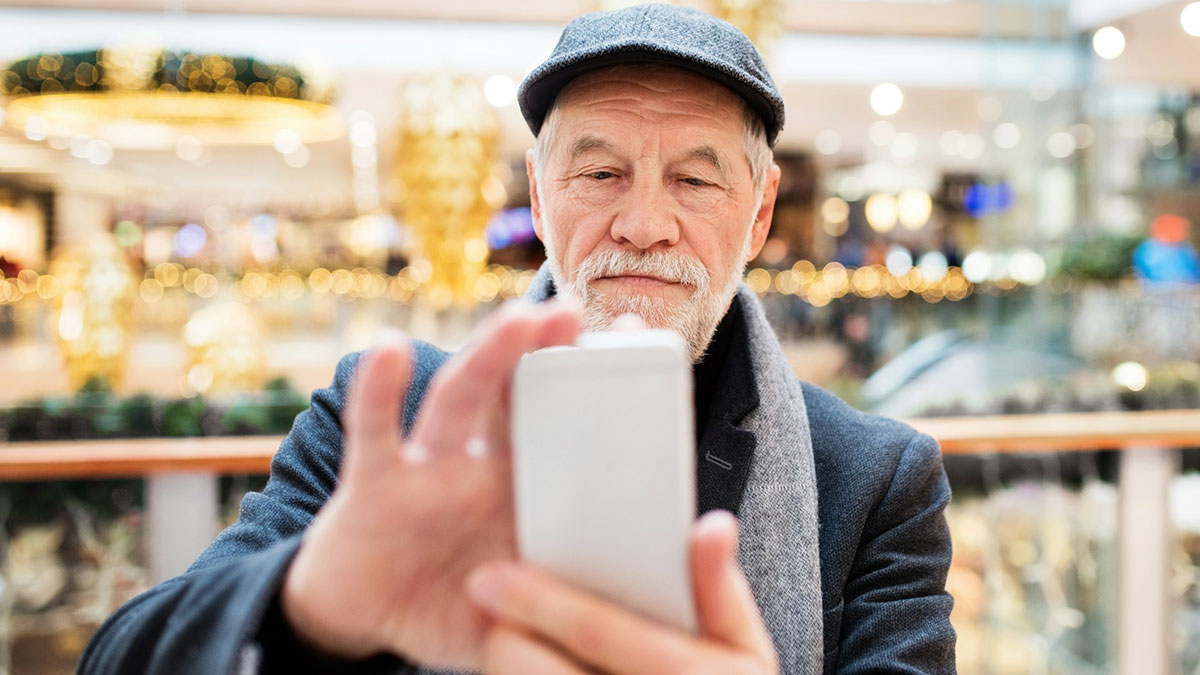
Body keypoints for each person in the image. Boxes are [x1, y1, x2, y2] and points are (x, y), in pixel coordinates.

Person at [79, 4, 955, 674]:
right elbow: (119, 654)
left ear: (759, 212)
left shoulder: (873, 478)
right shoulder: (388, 423)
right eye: (600, 171)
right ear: (538, 198)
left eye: (694, 178)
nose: (644, 222)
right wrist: (305, 607)